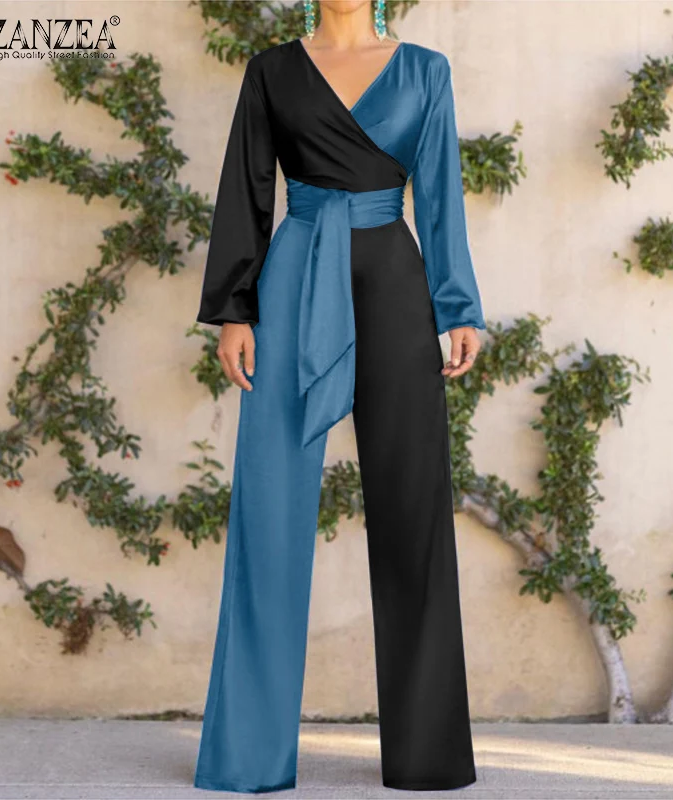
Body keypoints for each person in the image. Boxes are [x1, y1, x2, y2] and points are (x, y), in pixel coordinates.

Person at [193, 0, 486, 792]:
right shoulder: (271, 71)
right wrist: (234, 310)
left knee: (413, 511)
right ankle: (249, 757)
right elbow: (247, 189)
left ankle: (427, 759)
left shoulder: (424, 72)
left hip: (395, 284)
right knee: (268, 511)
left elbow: (441, 194)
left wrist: (457, 307)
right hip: (292, 283)